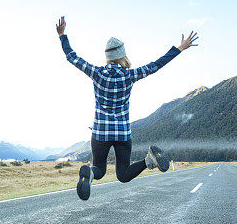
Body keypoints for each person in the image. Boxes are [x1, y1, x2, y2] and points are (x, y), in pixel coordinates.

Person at [55, 16, 199, 200]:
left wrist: (62, 36)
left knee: (99, 169)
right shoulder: (130, 75)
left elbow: (71, 57)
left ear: (107, 57)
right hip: (123, 133)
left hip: (101, 132)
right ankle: (149, 160)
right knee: (123, 175)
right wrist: (180, 48)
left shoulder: (97, 73)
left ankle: (90, 174)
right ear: (122, 55)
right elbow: (156, 65)